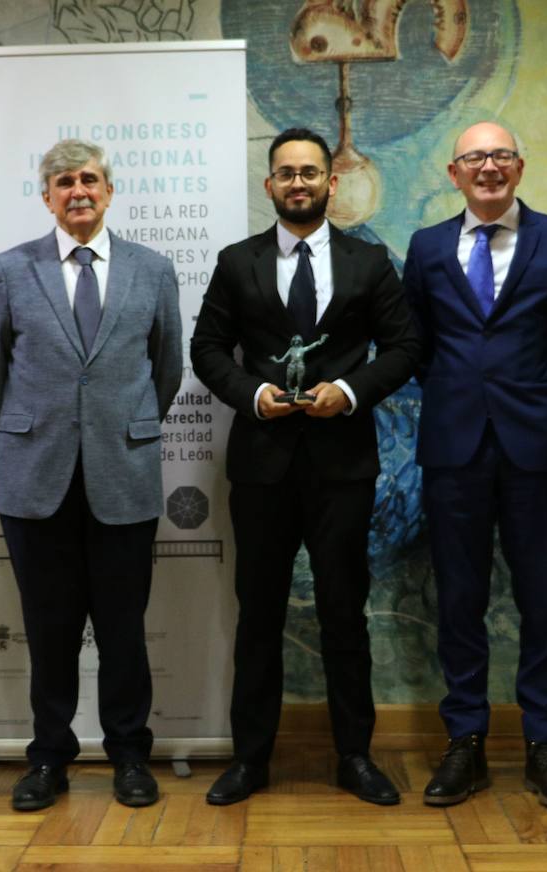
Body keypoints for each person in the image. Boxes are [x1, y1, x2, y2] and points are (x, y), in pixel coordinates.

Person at [191, 128, 419, 806]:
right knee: (257, 614)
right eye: (286, 173)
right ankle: (251, 760)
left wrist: (348, 392)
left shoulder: (369, 262)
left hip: (343, 465)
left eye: (310, 172)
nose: (298, 183)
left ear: (330, 183)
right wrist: (252, 396)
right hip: (261, 466)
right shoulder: (238, 262)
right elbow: (206, 348)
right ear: (269, 185)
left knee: (343, 613)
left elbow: (405, 346)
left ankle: (355, 757)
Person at [0, 139, 182, 812]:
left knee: (124, 629)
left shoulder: (152, 270)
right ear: (47, 197)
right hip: (37, 481)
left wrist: (117, 426)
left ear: (110, 190)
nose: (78, 190)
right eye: (63, 181)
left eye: (89, 178)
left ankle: (129, 756)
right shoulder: (11, 269)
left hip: (123, 474)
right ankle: (48, 759)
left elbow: (167, 368)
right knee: (50, 629)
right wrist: (37, 428)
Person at [402, 122, 547, 811]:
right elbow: (417, 346)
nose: (489, 166)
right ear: (454, 173)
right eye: (475, 157)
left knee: (544, 598)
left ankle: (545, 744)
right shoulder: (426, 248)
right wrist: (466, 397)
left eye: (501, 155)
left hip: (537, 446)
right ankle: (467, 744)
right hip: (454, 446)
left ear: (519, 166)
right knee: (460, 599)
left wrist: (530, 399)